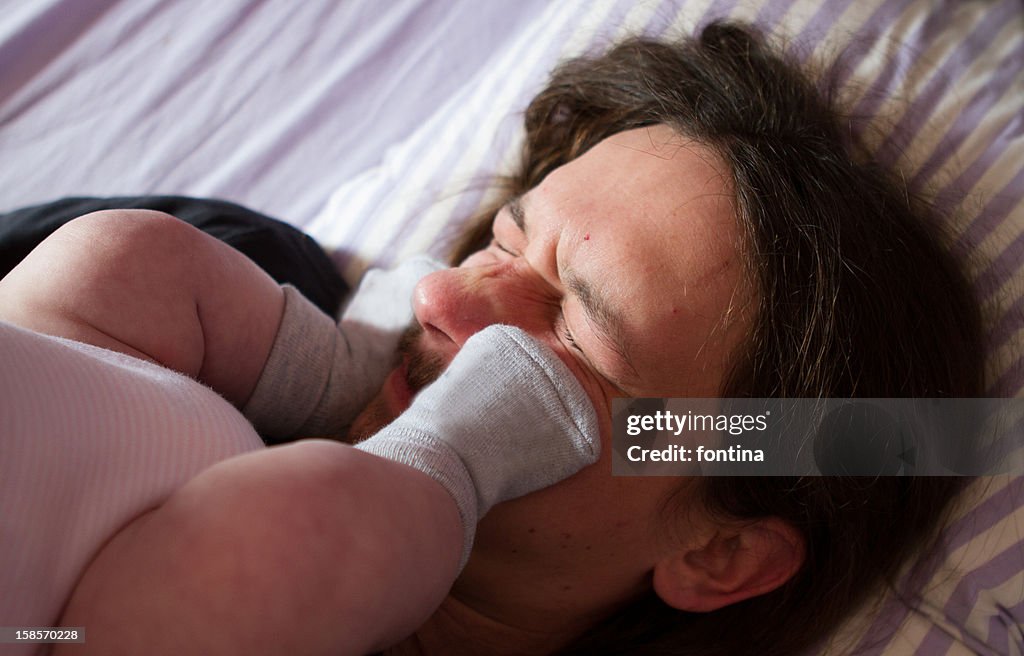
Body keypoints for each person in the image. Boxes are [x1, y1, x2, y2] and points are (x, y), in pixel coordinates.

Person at [0, 20, 984, 656]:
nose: (442, 296)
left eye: (573, 332)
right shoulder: (247, 275)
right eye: (502, 241)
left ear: (718, 549)